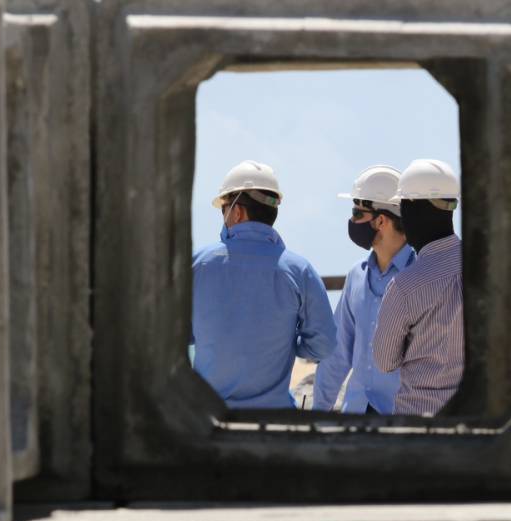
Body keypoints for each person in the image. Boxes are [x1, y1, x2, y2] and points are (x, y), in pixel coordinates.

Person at [191, 160, 336, 409]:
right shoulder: (299, 271)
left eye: (224, 209)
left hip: (206, 417)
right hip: (273, 420)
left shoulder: (198, 265)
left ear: (237, 212)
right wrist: (289, 344)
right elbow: (324, 346)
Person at [313, 166, 416, 414]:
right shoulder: (356, 277)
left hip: (404, 424)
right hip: (355, 416)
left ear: (381, 220)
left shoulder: (422, 278)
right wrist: (317, 413)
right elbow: (338, 353)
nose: (352, 221)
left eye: (357, 212)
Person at [372, 159, 463, 416]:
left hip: (419, 426)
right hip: (476, 425)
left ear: (412, 210)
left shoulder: (404, 286)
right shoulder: (485, 269)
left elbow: (384, 361)